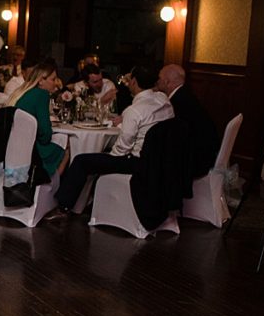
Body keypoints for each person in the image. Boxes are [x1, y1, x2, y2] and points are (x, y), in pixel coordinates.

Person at [51, 65, 174, 217]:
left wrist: (107, 155)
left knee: (81, 161)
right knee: (100, 154)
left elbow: (121, 150)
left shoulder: (135, 111)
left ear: (134, 82)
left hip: (137, 162)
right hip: (161, 160)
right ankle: (89, 200)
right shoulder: (164, 101)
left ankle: (63, 207)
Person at [5, 61, 69, 178]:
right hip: (32, 151)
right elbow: (45, 135)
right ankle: (51, 184)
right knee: (67, 143)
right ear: (40, 80)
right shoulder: (41, 95)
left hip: (14, 148)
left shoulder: (23, 92)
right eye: (53, 79)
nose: (55, 83)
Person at [156, 63, 219, 178]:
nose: (157, 82)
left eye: (159, 79)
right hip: (206, 153)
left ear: (167, 82)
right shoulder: (187, 95)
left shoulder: (176, 103)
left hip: (194, 160)